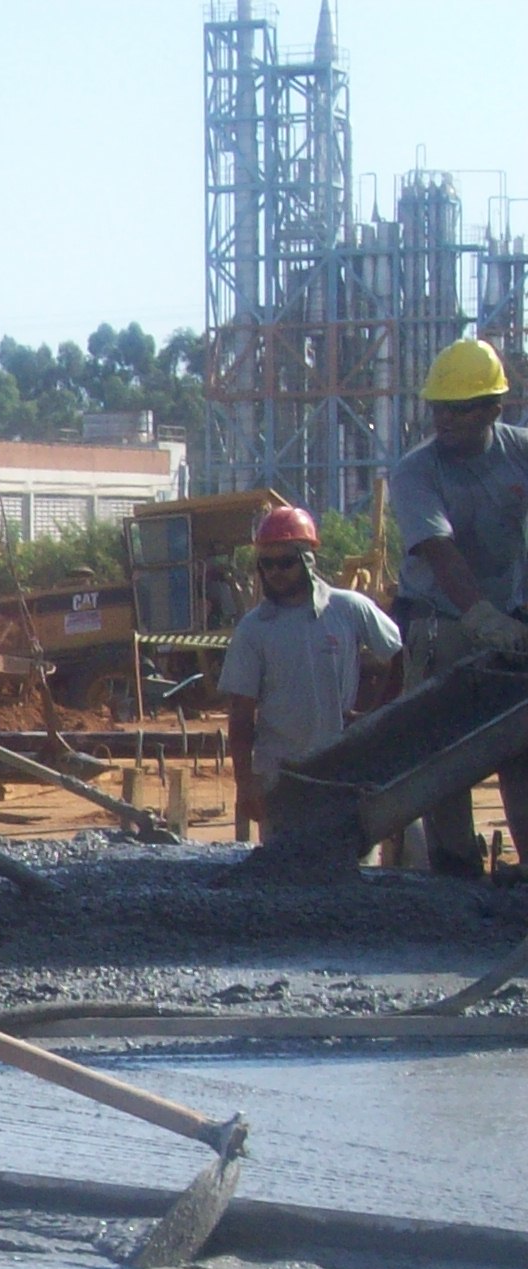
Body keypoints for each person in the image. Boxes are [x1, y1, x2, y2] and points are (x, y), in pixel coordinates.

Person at [388, 337, 528, 874]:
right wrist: (482, 619)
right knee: (442, 756)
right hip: (442, 624)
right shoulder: (417, 471)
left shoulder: (518, 453)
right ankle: (455, 868)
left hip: (511, 622)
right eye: (437, 408)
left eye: (458, 408)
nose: (444, 419)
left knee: (520, 749)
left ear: (494, 407)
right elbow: (440, 553)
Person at [216, 505, 400, 827]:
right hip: (281, 775)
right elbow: (242, 714)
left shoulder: (348, 609)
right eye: (267, 564)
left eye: (286, 562)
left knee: (349, 862)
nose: (275, 572)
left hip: (345, 770)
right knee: (286, 867)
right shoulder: (254, 629)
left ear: (307, 559)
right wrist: (245, 784)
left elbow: (399, 654)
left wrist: (378, 715)